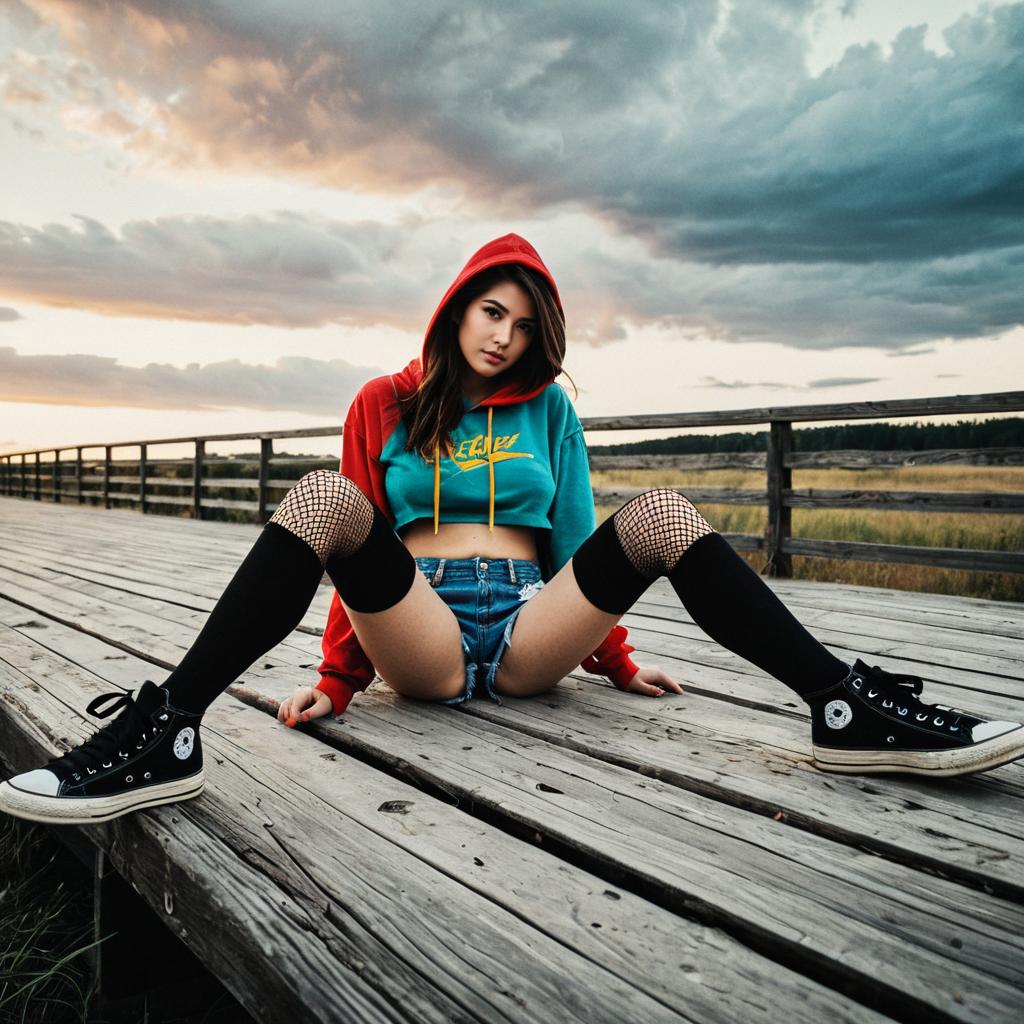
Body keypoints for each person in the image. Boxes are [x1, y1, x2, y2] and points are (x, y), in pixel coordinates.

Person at [1, 233, 1022, 826]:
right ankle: (167, 729)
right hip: (428, 641)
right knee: (321, 498)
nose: (505, 335)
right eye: (492, 311)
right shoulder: (382, 404)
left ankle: (844, 707)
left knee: (661, 511)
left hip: (531, 628)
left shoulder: (550, 413)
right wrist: (341, 677)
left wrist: (615, 660)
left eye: (525, 323)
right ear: (455, 308)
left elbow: (585, 538)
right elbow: (353, 555)